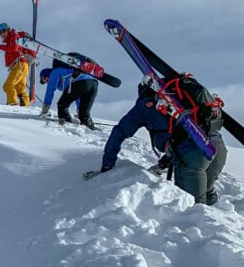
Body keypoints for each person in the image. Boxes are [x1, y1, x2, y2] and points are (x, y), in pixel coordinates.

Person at [97, 77, 226, 204]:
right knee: (207, 194)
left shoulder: (145, 106)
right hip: (217, 147)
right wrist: (164, 162)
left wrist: (107, 164)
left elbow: (119, 132)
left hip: (192, 155)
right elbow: (179, 132)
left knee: (194, 208)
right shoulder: (181, 96)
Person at [0, 22, 37, 106]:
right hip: (22, 65)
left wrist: (0, 47)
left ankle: (12, 104)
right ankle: (25, 106)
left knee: (8, 85)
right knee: (20, 88)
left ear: (8, 30)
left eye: (4, 31)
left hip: (19, 64)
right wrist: (0, 47)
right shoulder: (10, 40)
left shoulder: (14, 36)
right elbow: (12, 48)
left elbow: (14, 48)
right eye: (0, 33)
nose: (2, 34)